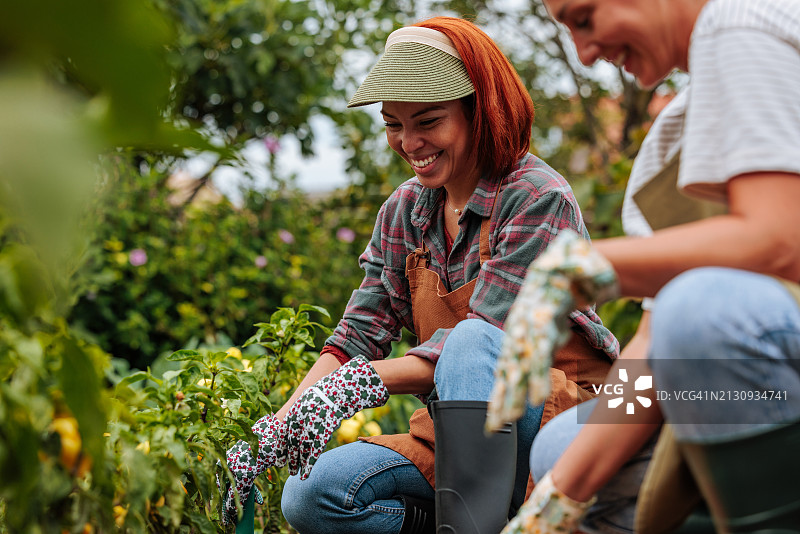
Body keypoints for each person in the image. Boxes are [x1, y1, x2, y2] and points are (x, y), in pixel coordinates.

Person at [221, 16, 619, 534]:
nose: (409, 143)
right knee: (311, 496)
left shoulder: (537, 199)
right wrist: (277, 428)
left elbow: (488, 345)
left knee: (473, 340)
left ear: (479, 112)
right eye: (393, 123)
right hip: (457, 433)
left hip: (553, 418)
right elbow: (357, 337)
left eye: (427, 121)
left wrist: (354, 387)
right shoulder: (405, 212)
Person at [487, 0, 800, 532]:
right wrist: (560, 496)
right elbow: (660, 343)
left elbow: (780, 239)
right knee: (564, 450)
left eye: (584, 18)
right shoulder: (682, 125)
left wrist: (577, 267)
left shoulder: (739, 23)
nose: (584, 55)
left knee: (702, 308)